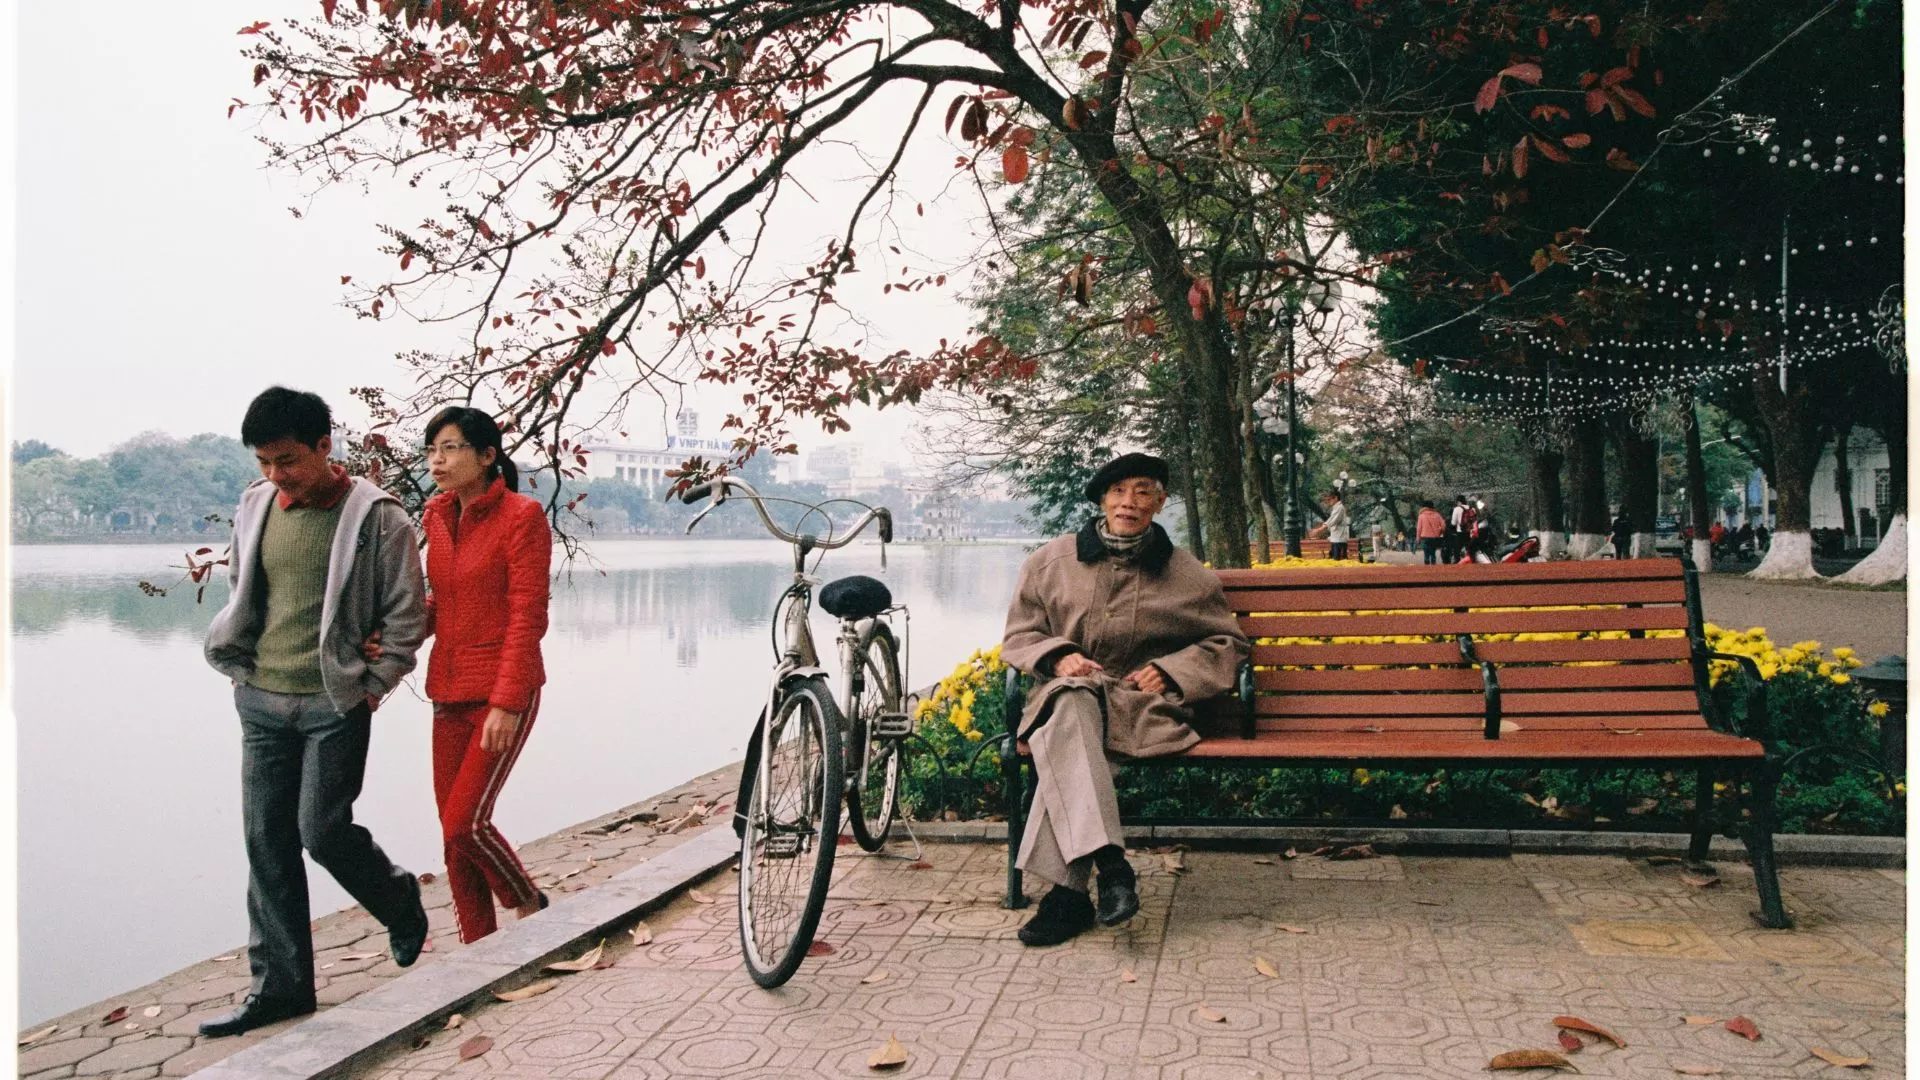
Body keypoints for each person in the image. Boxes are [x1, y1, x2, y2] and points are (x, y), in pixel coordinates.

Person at [201, 387, 430, 1037]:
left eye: (289, 460)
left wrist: (375, 683)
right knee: (266, 841)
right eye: (265, 462)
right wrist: (238, 662)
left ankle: (399, 900)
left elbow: (407, 613)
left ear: (326, 448)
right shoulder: (254, 506)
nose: (276, 476)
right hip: (261, 699)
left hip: (334, 701)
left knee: (320, 831)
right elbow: (243, 590)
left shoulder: (378, 517)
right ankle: (281, 987)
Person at [1001, 453, 1250, 946]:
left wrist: (1171, 670)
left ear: (1159, 502)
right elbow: (1020, 634)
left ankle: (1067, 897)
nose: (1128, 502)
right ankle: (1112, 866)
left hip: (1139, 707)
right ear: (1101, 499)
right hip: (1064, 696)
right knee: (1071, 702)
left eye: (1142, 491)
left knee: (1069, 746)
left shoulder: (1187, 574)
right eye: (1117, 491)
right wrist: (1058, 658)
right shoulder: (1051, 561)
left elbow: (1227, 644)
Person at [369, 407, 553, 943]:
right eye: (431, 450)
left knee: (465, 823)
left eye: (449, 448)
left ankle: (528, 900)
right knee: (452, 840)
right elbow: (444, 604)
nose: (437, 460)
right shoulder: (436, 516)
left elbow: (527, 615)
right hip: (447, 690)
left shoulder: (522, 516)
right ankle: (479, 945)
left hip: (502, 691)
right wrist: (394, 639)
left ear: (487, 455)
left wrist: (508, 701)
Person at [1307, 489, 1351, 560]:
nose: (1328, 501)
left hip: (1339, 540)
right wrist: (1319, 529)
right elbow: (1330, 521)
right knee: (1334, 560)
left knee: (1338, 561)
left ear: (1336, 498)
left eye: (1329, 499)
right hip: (1336, 539)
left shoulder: (1339, 508)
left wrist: (1319, 530)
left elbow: (1332, 521)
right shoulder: (1336, 508)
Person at [1416, 500, 1446, 564]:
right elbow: (1443, 526)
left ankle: (1427, 568)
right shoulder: (1437, 515)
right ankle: (1433, 568)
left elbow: (1419, 528)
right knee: (1433, 553)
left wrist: (1418, 538)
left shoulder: (1421, 516)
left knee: (1426, 554)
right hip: (1435, 537)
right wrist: (1440, 532)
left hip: (1424, 537)